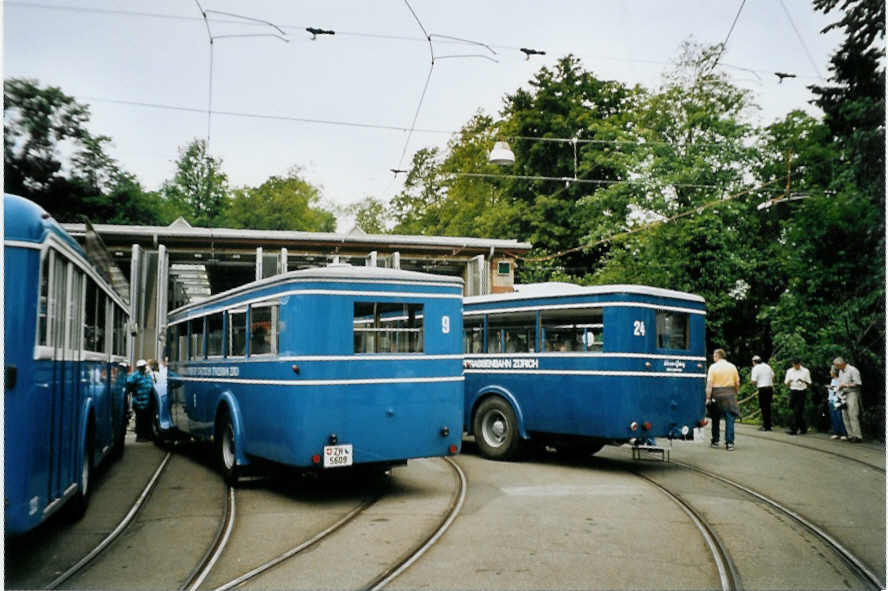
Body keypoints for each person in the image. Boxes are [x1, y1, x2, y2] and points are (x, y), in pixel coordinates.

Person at [706, 348, 740, 451]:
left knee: (715, 419)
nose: (713, 357)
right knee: (729, 419)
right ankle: (730, 443)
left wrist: (708, 397)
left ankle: (715, 441)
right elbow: (737, 383)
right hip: (729, 395)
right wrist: (735, 393)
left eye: (714, 356)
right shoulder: (732, 367)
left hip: (716, 395)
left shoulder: (713, 367)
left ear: (717, 356)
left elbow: (709, 384)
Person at [834, 356, 863, 442]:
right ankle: (850, 435)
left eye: (837, 365)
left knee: (852, 414)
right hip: (843, 394)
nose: (836, 367)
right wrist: (838, 388)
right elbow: (840, 382)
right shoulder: (840, 371)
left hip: (852, 393)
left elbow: (858, 383)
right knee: (844, 414)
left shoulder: (853, 370)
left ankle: (857, 436)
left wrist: (846, 385)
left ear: (842, 364)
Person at [126, 359, 155, 442]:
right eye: (141, 367)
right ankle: (140, 436)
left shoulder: (147, 375)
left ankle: (147, 435)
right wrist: (133, 390)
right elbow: (129, 384)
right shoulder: (134, 376)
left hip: (148, 402)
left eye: (143, 367)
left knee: (147, 419)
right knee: (140, 420)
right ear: (138, 367)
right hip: (139, 402)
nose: (142, 368)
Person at [783, 358, 811, 435]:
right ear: (792, 364)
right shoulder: (789, 371)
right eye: (794, 364)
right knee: (796, 410)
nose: (796, 366)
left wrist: (803, 381)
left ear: (800, 363)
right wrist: (790, 381)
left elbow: (809, 383)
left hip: (802, 391)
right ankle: (803, 428)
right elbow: (786, 383)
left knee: (797, 410)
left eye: (797, 364)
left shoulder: (805, 371)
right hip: (793, 391)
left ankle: (793, 429)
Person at [750, 355, 775, 431]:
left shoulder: (755, 368)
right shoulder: (767, 366)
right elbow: (773, 376)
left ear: (754, 362)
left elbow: (753, 381)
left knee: (763, 407)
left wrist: (757, 383)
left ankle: (766, 425)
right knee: (768, 407)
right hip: (770, 388)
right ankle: (769, 424)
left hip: (762, 389)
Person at [826, 366, 848, 440]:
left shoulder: (840, 380)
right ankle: (836, 432)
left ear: (834, 372)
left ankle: (844, 433)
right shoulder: (832, 380)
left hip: (838, 400)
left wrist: (832, 388)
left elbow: (839, 390)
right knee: (833, 417)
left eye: (831, 371)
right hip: (831, 400)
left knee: (840, 417)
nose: (830, 372)